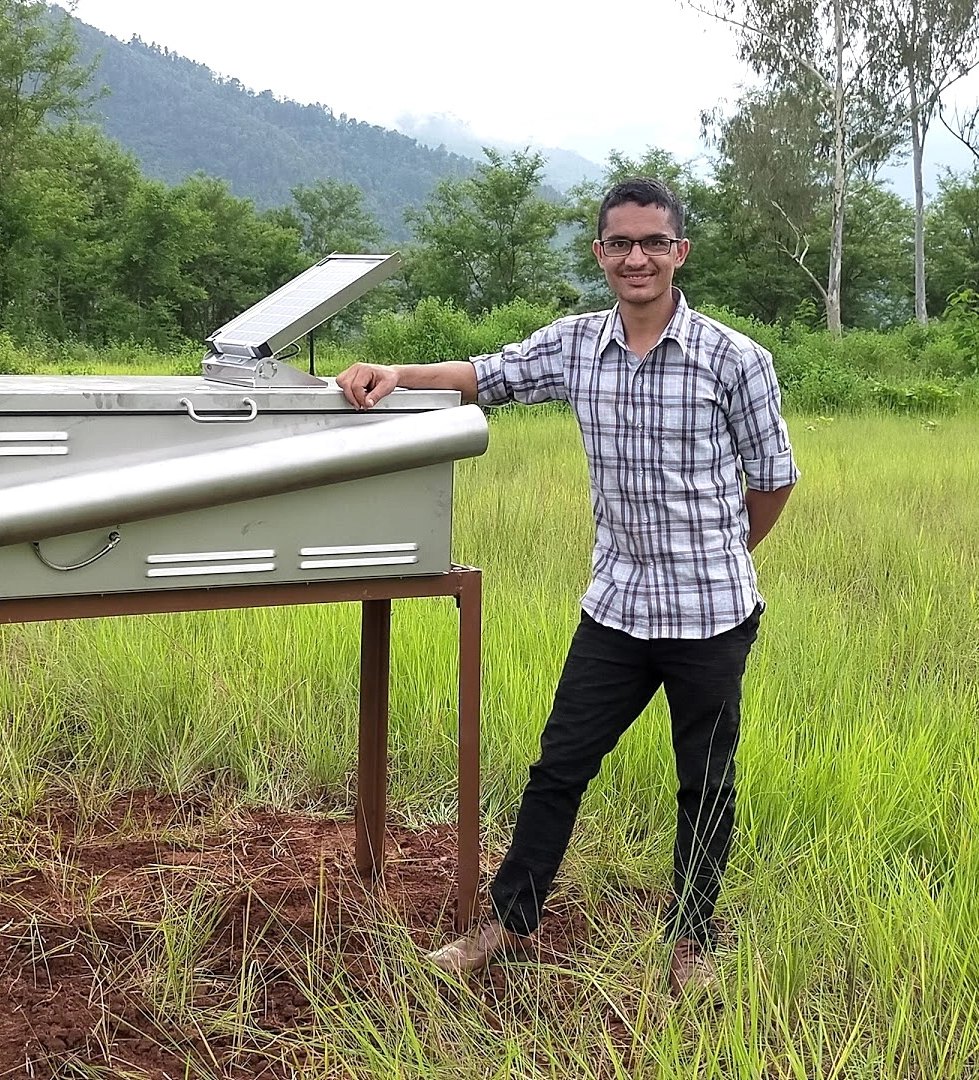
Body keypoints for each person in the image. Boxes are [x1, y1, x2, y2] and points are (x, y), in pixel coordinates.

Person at [333, 177, 799, 995]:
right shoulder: (577, 345)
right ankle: (507, 923)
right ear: (600, 254)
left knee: (705, 784)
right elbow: (486, 375)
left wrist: (724, 552)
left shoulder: (736, 359)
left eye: (653, 242)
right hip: (616, 608)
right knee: (559, 768)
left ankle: (691, 940)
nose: (636, 257)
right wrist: (397, 371)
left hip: (713, 614)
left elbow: (774, 480)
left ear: (680, 252)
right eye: (620, 243)